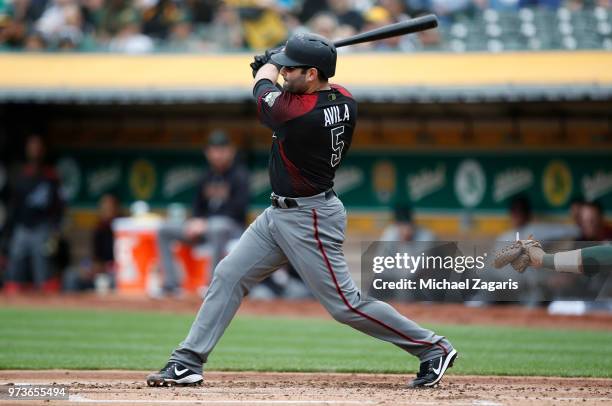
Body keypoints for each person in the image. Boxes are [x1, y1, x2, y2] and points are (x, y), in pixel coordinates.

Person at [146, 32, 457, 389]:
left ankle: (432, 347)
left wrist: (269, 64)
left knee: (345, 305)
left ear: (312, 74)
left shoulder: (297, 115)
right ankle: (188, 361)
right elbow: (293, 86)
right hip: (278, 214)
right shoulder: (344, 98)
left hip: (309, 217)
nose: (285, 74)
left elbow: (264, 91)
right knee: (229, 274)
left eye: (293, 69)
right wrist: (285, 59)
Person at [156, 131, 249, 295]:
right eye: (214, 150)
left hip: (231, 228)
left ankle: (212, 285)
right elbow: (197, 207)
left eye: (222, 150)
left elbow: (238, 209)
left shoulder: (239, 175)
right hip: (204, 227)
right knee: (164, 229)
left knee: (217, 227)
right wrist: (195, 221)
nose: (217, 155)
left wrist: (204, 223)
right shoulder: (206, 175)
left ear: (230, 151)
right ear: (207, 152)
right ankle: (171, 284)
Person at [2, 135, 65, 294]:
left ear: (43, 149)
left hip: (43, 228)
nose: (35, 149)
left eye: (38, 146)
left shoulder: (51, 175)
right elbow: (13, 206)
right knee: (15, 267)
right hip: (22, 227)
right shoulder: (21, 174)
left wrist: (56, 229)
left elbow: (59, 206)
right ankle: (13, 305)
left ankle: (46, 308)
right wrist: (8, 232)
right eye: (32, 146)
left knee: (43, 270)